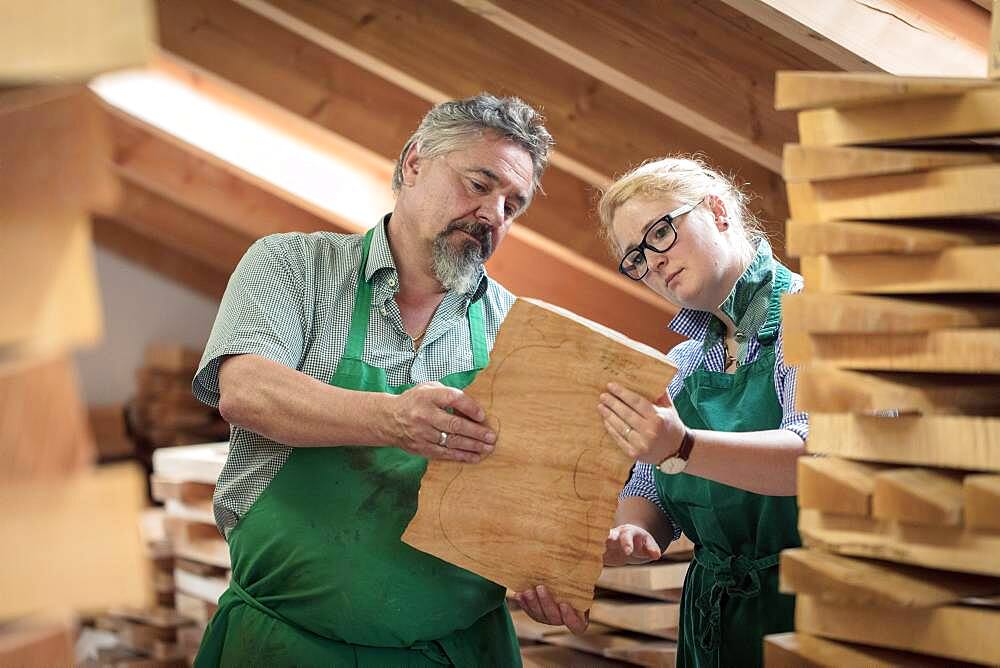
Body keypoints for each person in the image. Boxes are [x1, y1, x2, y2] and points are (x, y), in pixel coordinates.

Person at [189, 93, 553, 667]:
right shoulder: (292, 266)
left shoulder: (520, 329)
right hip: (289, 647)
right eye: (480, 185)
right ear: (413, 163)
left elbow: (538, 482)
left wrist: (543, 561)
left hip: (456, 653)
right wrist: (392, 418)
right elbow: (247, 391)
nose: (493, 215)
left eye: (513, 205)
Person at [515, 156, 808, 668]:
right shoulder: (683, 362)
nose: (652, 263)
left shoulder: (808, 319)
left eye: (660, 234)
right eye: (634, 258)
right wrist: (630, 533)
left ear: (717, 210)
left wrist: (683, 445)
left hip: (810, 614)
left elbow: (815, 460)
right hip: (713, 628)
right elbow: (651, 488)